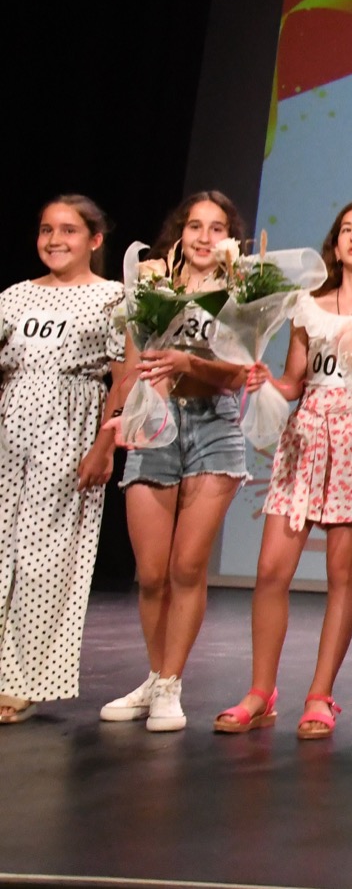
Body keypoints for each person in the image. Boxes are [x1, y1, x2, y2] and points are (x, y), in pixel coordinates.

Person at [221, 198, 352, 739]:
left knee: (341, 573)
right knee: (270, 570)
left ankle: (320, 694)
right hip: (305, 437)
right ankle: (261, 692)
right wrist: (266, 381)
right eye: (346, 228)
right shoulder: (307, 304)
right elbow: (294, 381)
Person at [100, 192, 258, 734]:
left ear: (230, 239)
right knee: (150, 573)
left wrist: (188, 362)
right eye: (195, 226)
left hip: (213, 426)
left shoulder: (241, 293)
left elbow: (237, 374)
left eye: (217, 228)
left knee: (187, 567)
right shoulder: (152, 287)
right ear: (180, 232)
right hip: (153, 422)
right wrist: (117, 418)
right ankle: (154, 675)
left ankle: (170, 684)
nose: (204, 236)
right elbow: (130, 363)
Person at [0, 197, 123, 724]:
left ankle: (21, 679)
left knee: (43, 555)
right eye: (46, 229)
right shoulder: (14, 296)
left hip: (69, 427)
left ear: (94, 240)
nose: (55, 240)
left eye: (69, 230)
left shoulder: (112, 298)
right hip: (10, 425)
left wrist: (103, 445)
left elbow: (124, 377)